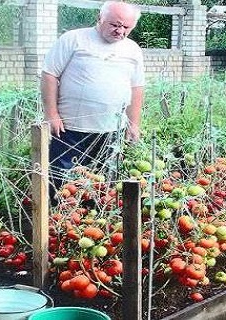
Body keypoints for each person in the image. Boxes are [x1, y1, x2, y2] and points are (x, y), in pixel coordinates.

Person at [41, 0, 145, 196]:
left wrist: (134, 123)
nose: (120, 31)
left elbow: (137, 87)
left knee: (103, 184)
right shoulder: (74, 39)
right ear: (99, 18)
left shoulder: (132, 49)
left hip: (111, 131)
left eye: (126, 27)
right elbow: (49, 75)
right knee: (62, 182)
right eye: (114, 24)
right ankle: (56, 221)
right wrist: (51, 113)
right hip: (70, 129)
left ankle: (92, 221)